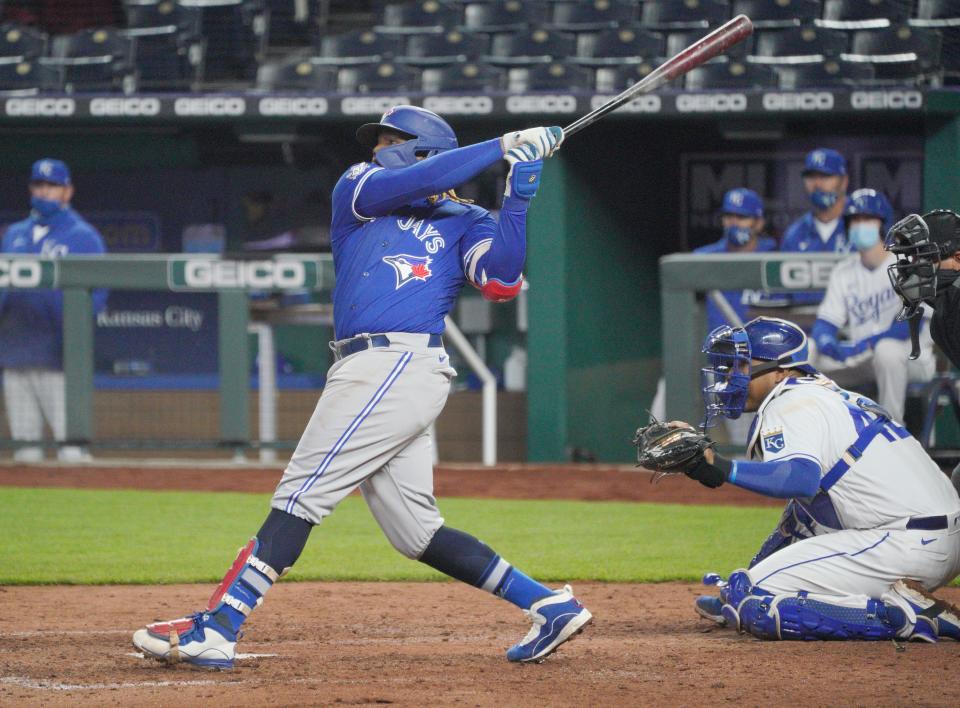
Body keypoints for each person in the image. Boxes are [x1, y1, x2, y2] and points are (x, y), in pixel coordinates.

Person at [132, 106, 592, 669]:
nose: (377, 148)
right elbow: (413, 181)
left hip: (396, 365)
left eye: (391, 139)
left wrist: (518, 196)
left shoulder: (466, 218)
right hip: (371, 368)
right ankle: (546, 604)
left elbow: (499, 281)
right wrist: (501, 145)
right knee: (415, 533)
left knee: (301, 495)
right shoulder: (360, 188)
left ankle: (221, 625)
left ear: (424, 147)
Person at [638, 316, 960, 642]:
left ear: (781, 370)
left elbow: (800, 479)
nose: (733, 376)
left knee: (754, 603)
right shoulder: (823, 396)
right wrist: (739, 585)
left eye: (743, 366)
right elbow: (803, 513)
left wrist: (720, 466)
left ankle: (906, 617)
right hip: (937, 538)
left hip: (906, 544)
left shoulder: (790, 402)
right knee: (795, 523)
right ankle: (895, 603)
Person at [0, 158, 107, 462]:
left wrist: (74, 336)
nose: (44, 191)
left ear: (67, 191)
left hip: (59, 357)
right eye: (39, 185)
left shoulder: (83, 236)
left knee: (71, 449)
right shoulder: (14, 234)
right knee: (25, 453)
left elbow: (98, 294)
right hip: (14, 351)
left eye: (52, 186)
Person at [810, 189, 935, 423]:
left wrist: (869, 343)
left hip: (910, 357)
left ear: (882, 223)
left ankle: (893, 429)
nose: (860, 225)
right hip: (864, 356)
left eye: (867, 219)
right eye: (855, 220)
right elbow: (825, 323)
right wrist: (826, 341)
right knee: (808, 351)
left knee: (886, 350)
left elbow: (913, 322)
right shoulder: (844, 272)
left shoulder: (906, 264)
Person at [780, 148, 852, 306]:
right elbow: (783, 297)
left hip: (853, 324)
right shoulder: (794, 235)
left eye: (826, 176)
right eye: (811, 177)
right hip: (805, 325)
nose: (817, 184)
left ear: (844, 181)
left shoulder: (860, 227)